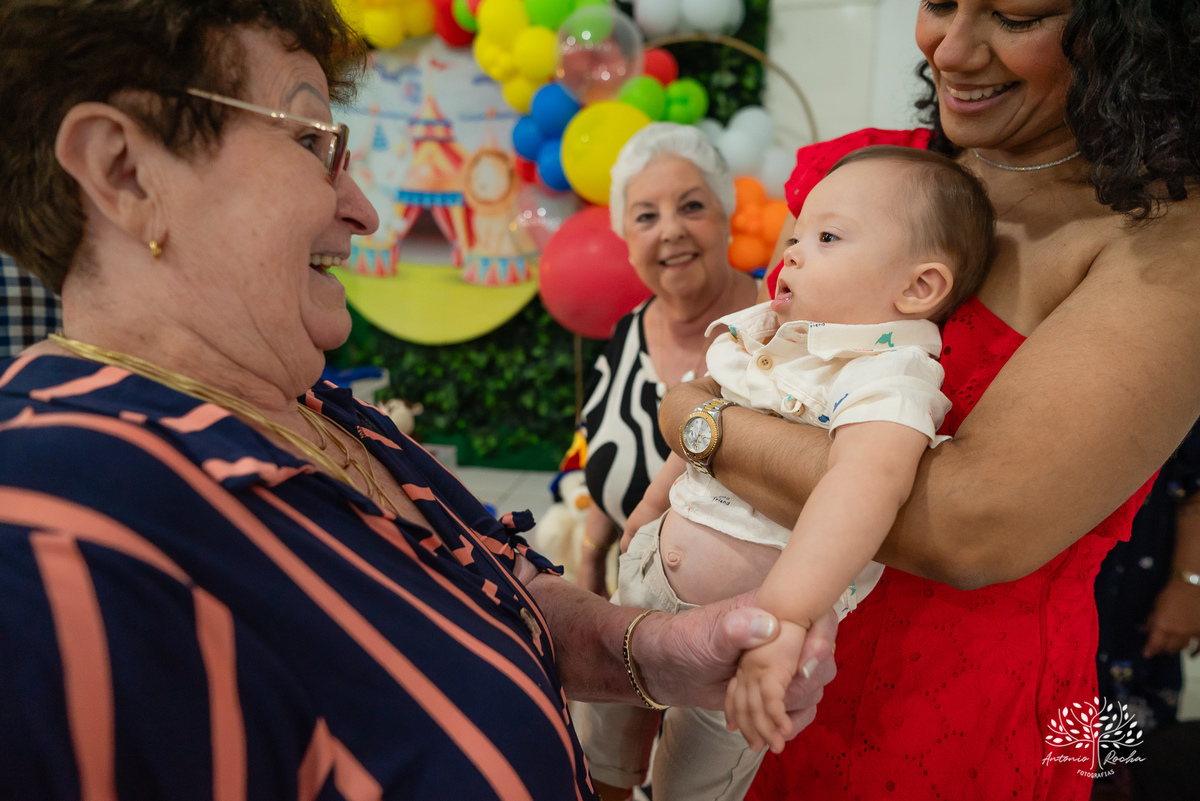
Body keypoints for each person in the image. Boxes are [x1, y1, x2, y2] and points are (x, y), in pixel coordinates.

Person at [0, 2, 838, 799]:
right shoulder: (54, 537)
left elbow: (497, 587)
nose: (363, 210)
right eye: (310, 141)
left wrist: (660, 650)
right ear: (124, 169)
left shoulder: (319, 408)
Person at [657, 1, 1200, 799]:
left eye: (1014, 16)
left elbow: (969, 524)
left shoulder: (1164, 247)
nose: (948, 46)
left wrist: (697, 425)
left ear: (1134, 32)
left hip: (944, 721)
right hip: (745, 674)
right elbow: (760, 357)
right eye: (940, 2)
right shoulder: (874, 176)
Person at [580, 146, 993, 801]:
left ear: (918, 287)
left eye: (826, 238)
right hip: (646, 581)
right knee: (600, 737)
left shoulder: (887, 376)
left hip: (745, 636)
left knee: (692, 781)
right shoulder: (769, 332)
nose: (792, 251)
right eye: (796, 235)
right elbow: (708, 413)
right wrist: (651, 505)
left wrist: (785, 621)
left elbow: (862, 490)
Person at [576, 123, 759, 598]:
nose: (671, 230)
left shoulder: (779, 329)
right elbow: (608, 445)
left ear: (726, 215)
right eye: (646, 217)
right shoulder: (627, 332)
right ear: (628, 242)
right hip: (631, 617)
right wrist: (592, 553)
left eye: (692, 206)